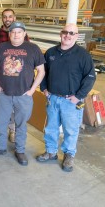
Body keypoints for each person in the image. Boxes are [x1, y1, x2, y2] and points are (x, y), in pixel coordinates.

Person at [36, 24, 95, 172]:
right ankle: (51, 152)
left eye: (71, 33)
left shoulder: (83, 55)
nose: (67, 35)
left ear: (76, 36)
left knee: (70, 130)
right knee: (51, 128)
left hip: (71, 101)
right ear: (60, 34)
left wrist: (79, 96)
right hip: (53, 99)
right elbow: (43, 73)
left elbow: (90, 77)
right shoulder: (50, 52)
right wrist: (44, 89)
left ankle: (69, 155)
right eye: (65, 32)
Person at [0, 21, 45, 166]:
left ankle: (20, 150)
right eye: (13, 32)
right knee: (0, 122)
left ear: (24, 34)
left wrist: (32, 90)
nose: (16, 34)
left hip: (23, 95)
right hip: (4, 94)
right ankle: (0, 147)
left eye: (19, 32)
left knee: (21, 124)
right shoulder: (2, 47)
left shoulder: (33, 48)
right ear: (9, 34)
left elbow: (41, 71)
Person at [0, 8, 30, 142]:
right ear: (2, 19)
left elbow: (27, 55)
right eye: (5, 17)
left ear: (14, 18)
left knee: (14, 108)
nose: (7, 19)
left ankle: (12, 130)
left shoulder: (23, 35)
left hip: (16, 79)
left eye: (10, 17)